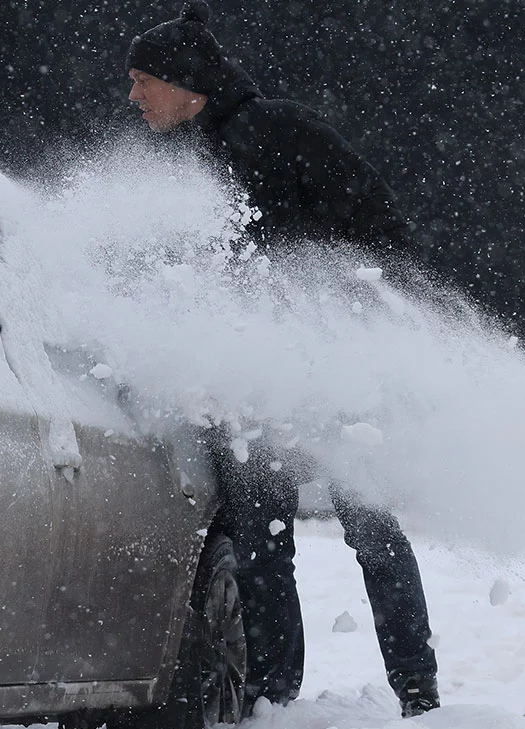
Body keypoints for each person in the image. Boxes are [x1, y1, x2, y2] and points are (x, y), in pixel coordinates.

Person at [124, 1, 441, 718]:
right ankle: (277, 699)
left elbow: (382, 229)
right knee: (269, 542)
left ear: (187, 82)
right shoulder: (191, 159)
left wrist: (353, 323)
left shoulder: (274, 132)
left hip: (331, 369)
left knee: (363, 529)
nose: (133, 96)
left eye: (143, 79)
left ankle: (416, 694)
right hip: (258, 379)